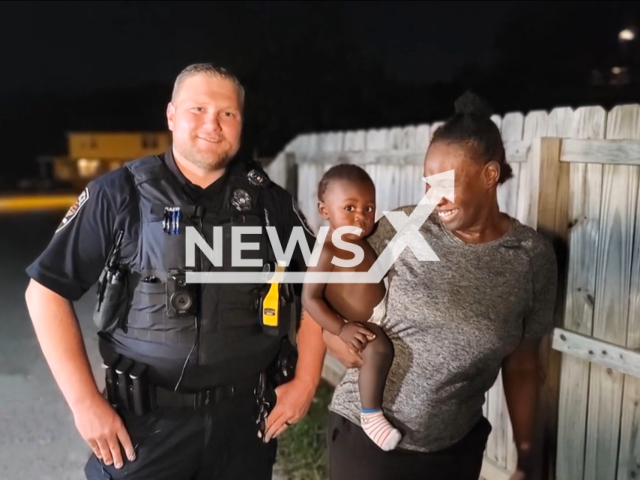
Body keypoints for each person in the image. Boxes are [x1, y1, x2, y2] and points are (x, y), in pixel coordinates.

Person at [24, 63, 326, 480]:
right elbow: (45, 291)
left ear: (241, 122)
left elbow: (318, 287)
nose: (212, 124)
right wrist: (84, 404)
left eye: (227, 114)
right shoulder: (118, 194)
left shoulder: (270, 204)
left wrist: (307, 381)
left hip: (245, 428)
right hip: (141, 430)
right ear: (171, 115)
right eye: (197, 109)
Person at [323, 91, 558, 480]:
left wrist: (527, 458)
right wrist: (336, 339)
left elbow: (523, 366)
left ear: (489, 175)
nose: (433, 199)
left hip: (453, 451)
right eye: (427, 184)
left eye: (444, 183)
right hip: (366, 441)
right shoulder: (403, 228)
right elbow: (330, 291)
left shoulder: (530, 258)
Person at [301, 164, 401, 452]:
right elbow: (311, 298)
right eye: (349, 207)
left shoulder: (366, 240)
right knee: (377, 348)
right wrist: (340, 328)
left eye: (369, 208)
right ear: (325, 211)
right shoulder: (327, 251)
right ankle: (370, 414)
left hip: (385, 313)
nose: (361, 216)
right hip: (362, 324)